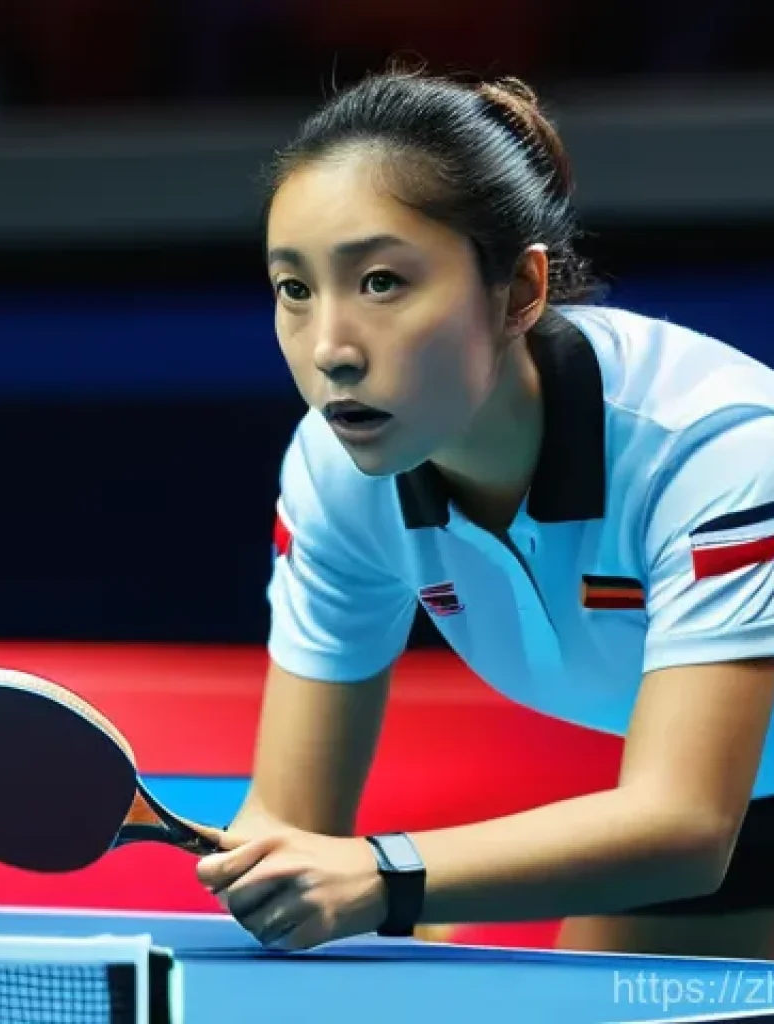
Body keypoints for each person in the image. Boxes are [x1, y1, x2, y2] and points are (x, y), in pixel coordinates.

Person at [194, 67, 774, 959]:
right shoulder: (338, 473)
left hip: (707, 814)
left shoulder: (714, 451)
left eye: (381, 282)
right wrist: (281, 870)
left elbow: (686, 821)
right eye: (295, 289)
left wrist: (385, 879)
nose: (330, 351)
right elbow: (295, 819)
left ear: (519, 293)